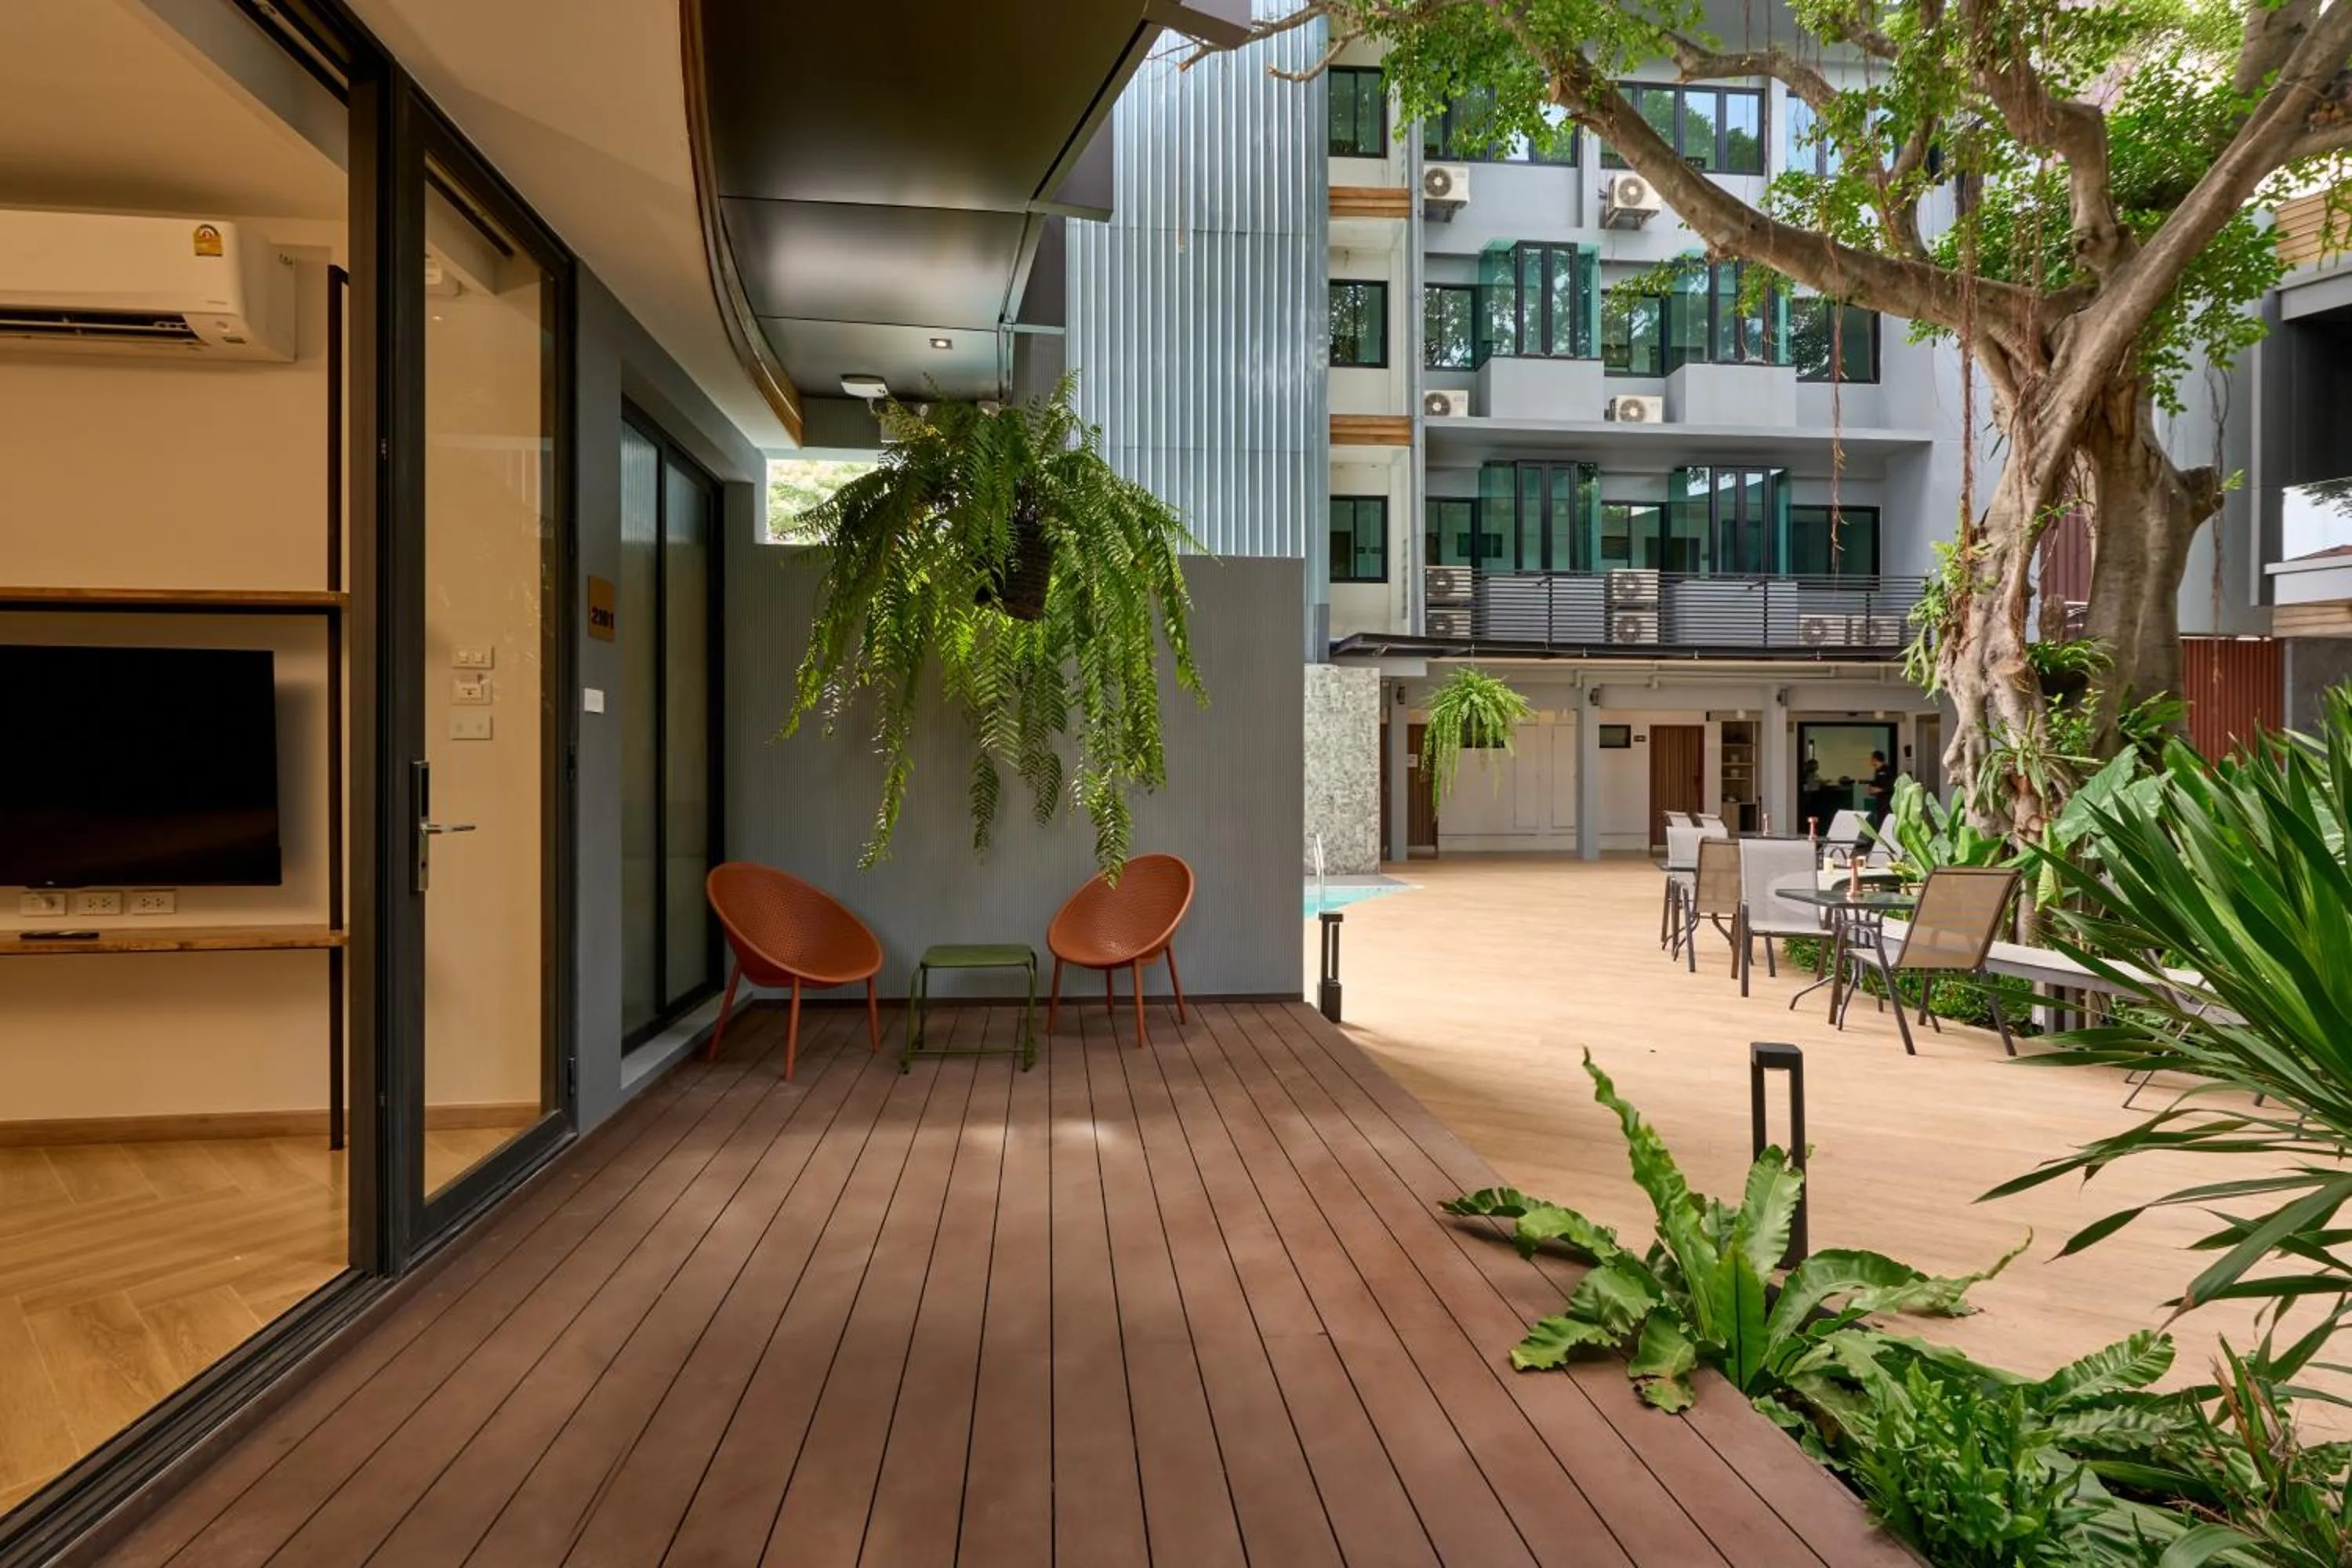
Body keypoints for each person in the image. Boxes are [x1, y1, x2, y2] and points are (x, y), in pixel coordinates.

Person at [1864, 749, 1896, 827]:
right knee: (1879, 824)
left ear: (1875, 759)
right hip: (1880, 803)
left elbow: (1892, 786)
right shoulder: (1877, 771)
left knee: (1886, 824)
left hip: (1887, 804)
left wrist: (1879, 790)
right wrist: (1871, 788)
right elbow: (1876, 783)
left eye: (1872, 759)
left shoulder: (1888, 770)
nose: (1871, 762)